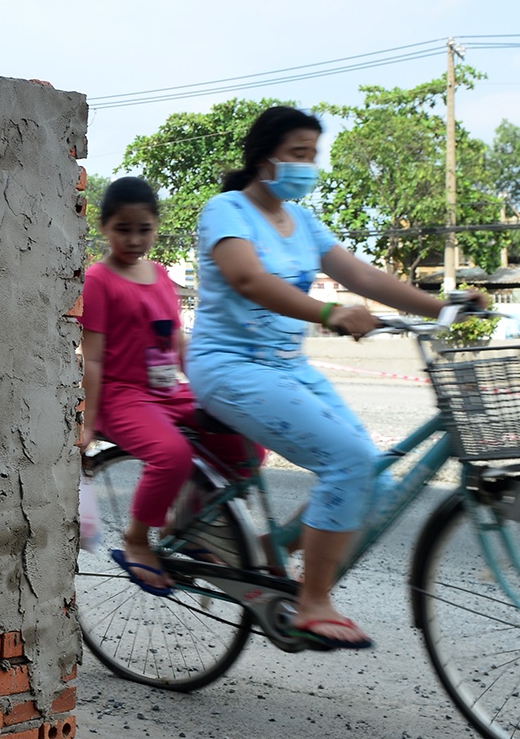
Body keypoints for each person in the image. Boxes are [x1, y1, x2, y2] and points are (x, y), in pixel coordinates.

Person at [188, 106, 484, 649]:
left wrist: (442, 307)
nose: (308, 166)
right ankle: (313, 602)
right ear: (264, 157)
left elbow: (361, 274)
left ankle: (260, 549)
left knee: (374, 479)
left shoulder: (303, 223)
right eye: (298, 154)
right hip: (229, 367)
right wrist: (328, 313)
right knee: (348, 462)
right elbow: (247, 278)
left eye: (312, 155)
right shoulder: (226, 210)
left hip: (288, 368)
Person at [78, 176, 201, 595]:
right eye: (123, 229)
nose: (133, 239)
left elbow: (178, 341)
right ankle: (136, 539)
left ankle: (192, 525)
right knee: (172, 454)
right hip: (122, 397)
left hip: (167, 391)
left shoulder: (163, 275)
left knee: (245, 437)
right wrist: (88, 423)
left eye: (143, 229)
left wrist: (207, 387)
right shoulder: (98, 280)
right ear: (105, 228)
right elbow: (91, 356)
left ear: (156, 227)